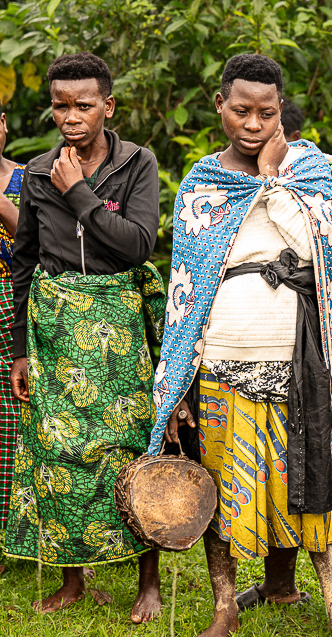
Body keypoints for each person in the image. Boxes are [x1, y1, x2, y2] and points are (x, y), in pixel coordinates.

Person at [153, 53, 332, 637]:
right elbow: (185, 292)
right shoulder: (202, 181)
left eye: (266, 113)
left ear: (280, 113)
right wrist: (180, 382)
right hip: (220, 362)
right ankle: (225, 609)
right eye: (241, 110)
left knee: (312, 488)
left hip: (296, 365)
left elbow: (316, 248)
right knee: (220, 489)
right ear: (220, 105)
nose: (253, 123)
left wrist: (272, 176)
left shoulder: (309, 170)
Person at [5, 52, 164, 623]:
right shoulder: (38, 171)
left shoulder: (137, 164)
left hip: (117, 325)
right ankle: (73, 579)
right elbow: (24, 261)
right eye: (61, 105)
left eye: (84, 105)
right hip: (54, 326)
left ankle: (148, 579)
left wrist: (79, 193)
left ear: (108, 106)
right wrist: (20, 349)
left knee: (132, 445)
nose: (71, 116)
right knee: (58, 449)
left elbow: (137, 245)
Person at [0, 111, 24, 530]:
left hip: (16, 307)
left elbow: (39, 243)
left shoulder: (29, 178)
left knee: (15, 415)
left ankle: (15, 525)